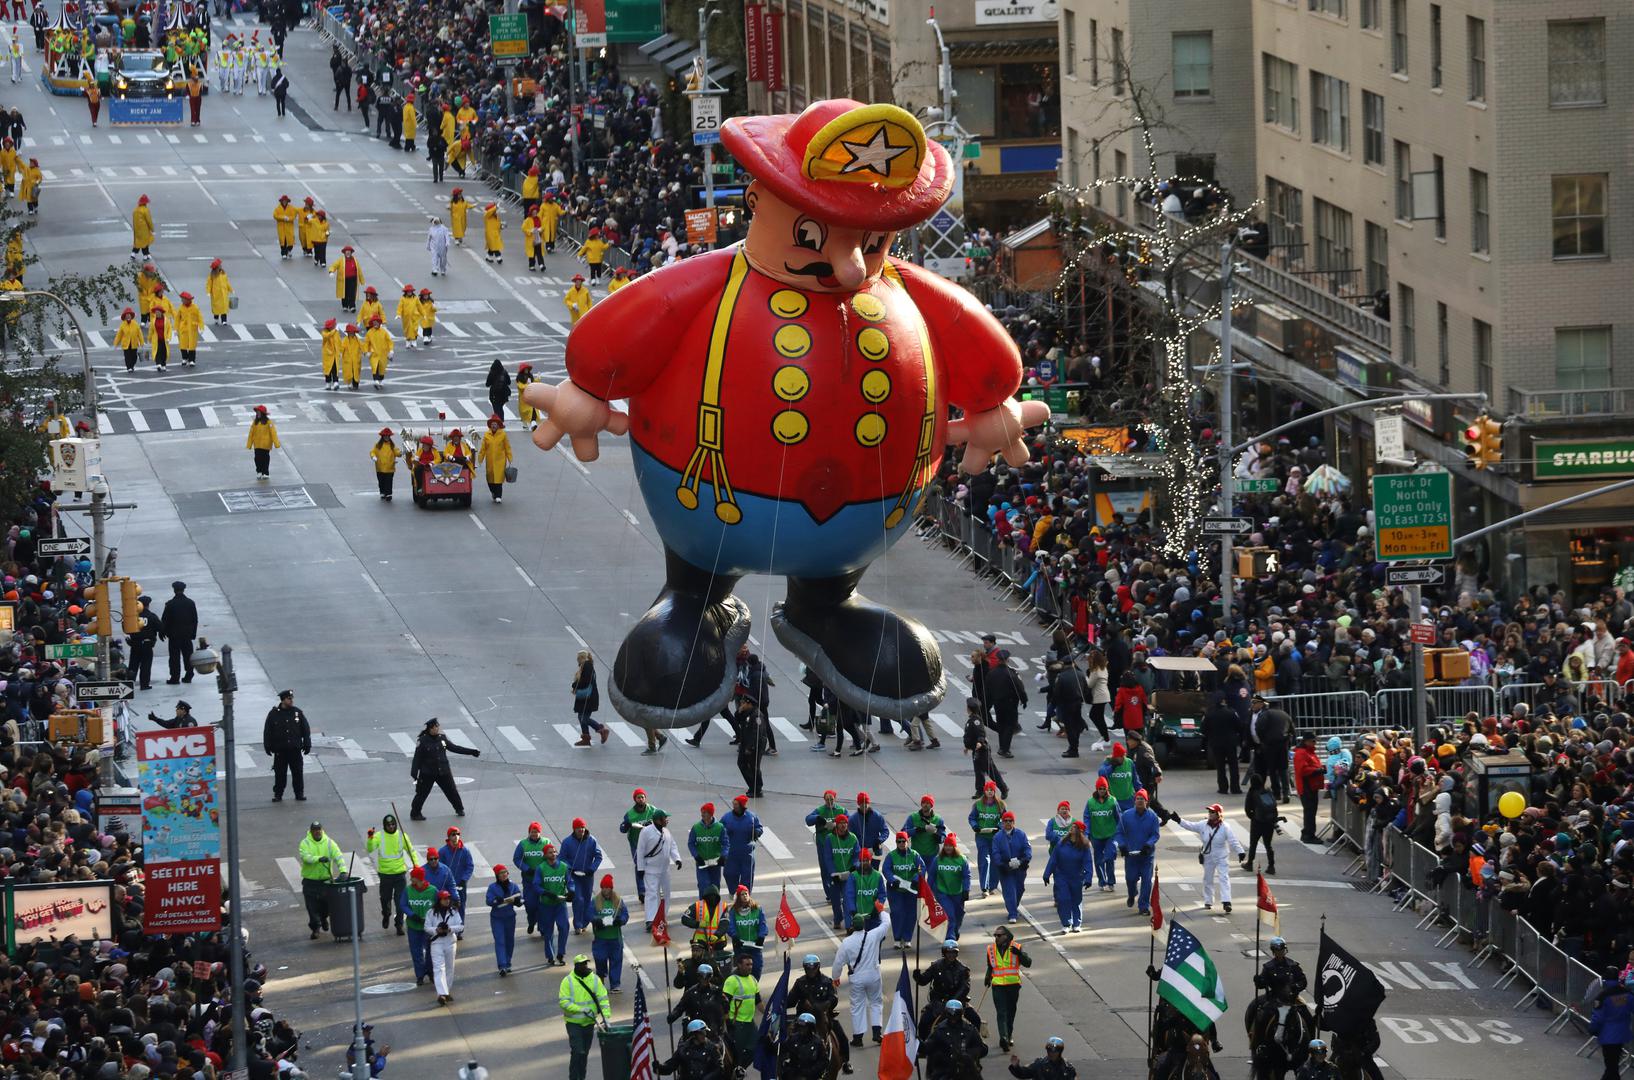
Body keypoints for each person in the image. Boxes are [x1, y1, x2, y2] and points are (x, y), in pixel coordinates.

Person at [1172, 804, 1245, 912]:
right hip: (1208, 856)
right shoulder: (1203, 824)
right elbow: (1191, 825)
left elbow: (1233, 840)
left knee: (1224, 877)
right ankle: (1208, 901)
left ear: (1219, 814)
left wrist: (1240, 851)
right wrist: (1179, 820)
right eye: (1209, 812)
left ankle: (1226, 902)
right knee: (1207, 879)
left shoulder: (1225, 827)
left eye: (1212, 812)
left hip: (1221, 856)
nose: (1210, 814)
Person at [833, 909, 890, 1046]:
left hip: (857, 978)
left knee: (857, 1006)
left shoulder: (846, 942)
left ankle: (858, 1037)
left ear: (852, 926)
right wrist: (881, 910)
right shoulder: (873, 935)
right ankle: (877, 1032)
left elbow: (838, 962)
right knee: (876, 1003)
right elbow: (886, 923)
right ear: (864, 925)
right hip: (873, 975)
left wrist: (836, 977)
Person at [408, 717, 480, 820]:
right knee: (422, 794)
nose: (438, 728)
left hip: (443, 771)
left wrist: (472, 752)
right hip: (428, 773)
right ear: (431, 729)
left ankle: (459, 809)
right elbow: (417, 758)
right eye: (436, 727)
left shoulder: (442, 738)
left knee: (452, 791)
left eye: (438, 726)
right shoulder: (423, 741)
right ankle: (415, 813)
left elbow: (455, 748)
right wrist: (414, 773)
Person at [788, 953, 848, 1071]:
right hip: (803, 1018)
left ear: (818, 967)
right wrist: (784, 1001)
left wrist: (822, 1006)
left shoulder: (827, 981)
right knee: (789, 1036)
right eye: (808, 968)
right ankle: (788, 1060)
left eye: (814, 967)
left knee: (841, 1035)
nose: (811, 970)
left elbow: (833, 998)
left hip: (823, 1016)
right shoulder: (800, 983)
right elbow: (791, 1000)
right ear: (805, 968)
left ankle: (846, 1061)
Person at [559, 954, 610, 1080]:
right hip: (573, 1023)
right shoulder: (568, 981)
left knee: (584, 1054)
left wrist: (606, 1017)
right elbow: (564, 1003)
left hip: (589, 1023)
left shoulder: (594, 979)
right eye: (581, 964)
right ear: (576, 966)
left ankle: (581, 1077)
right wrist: (581, 1009)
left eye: (585, 963)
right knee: (578, 1052)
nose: (584, 966)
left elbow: (603, 999)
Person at [366, 813, 417, 934]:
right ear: (384, 826)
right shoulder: (379, 836)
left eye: (393, 824)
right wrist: (370, 838)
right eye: (388, 825)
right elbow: (370, 848)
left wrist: (416, 866)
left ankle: (399, 925)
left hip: (400, 874)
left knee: (400, 902)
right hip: (385, 874)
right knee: (385, 899)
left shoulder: (402, 836)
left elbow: (411, 851)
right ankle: (386, 914)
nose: (391, 826)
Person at [985, 925, 1031, 1051]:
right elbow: (991, 965)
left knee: (1011, 1012)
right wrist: (988, 976)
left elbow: (1028, 963)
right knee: (1001, 1012)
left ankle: (1009, 1034)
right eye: (995, 935)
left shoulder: (1016, 947)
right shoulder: (991, 949)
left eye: (999, 935)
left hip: (1013, 985)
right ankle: (1003, 1038)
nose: (996, 938)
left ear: (1006, 936)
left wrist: (1020, 954)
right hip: (998, 985)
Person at [1116, 789, 1162, 916]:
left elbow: (1155, 834)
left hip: (1146, 856)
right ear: (1134, 801)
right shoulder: (1126, 815)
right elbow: (1118, 833)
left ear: (1147, 802)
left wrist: (1148, 844)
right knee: (1130, 879)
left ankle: (1143, 906)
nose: (1140, 801)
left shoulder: (1152, 817)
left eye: (1142, 799)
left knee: (1147, 881)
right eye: (1138, 798)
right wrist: (1122, 846)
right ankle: (1132, 894)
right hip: (1131, 855)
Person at [635, 809, 682, 928]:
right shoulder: (646, 832)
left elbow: (672, 846)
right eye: (665, 818)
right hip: (650, 869)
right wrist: (640, 868)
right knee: (651, 894)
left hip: (665, 870)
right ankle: (650, 920)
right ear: (658, 820)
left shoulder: (666, 831)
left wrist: (677, 859)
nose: (667, 820)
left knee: (666, 894)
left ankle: (662, 917)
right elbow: (640, 850)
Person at [918, 1000, 987, 1079]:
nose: (953, 1016)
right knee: (924, 1021)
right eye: (950, 1013)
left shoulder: (970, 1030)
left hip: (966, 1069)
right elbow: (928, 1047)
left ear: (961, 1013)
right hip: (945, 1070)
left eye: (956, 1014)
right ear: (946, 1013)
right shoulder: (940, 1031)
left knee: (975, 1018)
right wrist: (918, 1043)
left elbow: (982, 1048)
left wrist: (969, 1055)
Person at [1042, 819, 1090, 931]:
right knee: (1063, 899)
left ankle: (1077, 923)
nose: (1071, 828)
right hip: (1061, 876)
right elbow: (1053, 859)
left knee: (1076, 900)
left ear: (1079, 831)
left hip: (1077, 876)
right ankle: (1066, 923)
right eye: (1071, 827)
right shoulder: (1061, 843)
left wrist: (1088, 877)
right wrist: (1047, 874)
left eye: (1074, 827)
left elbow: (1087, 862)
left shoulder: (1084, 846)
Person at [915, 940, 971, 1036]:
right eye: (948, 952)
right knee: (923, 1022)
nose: (951, 955)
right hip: (938, 1003)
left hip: (957, 1003)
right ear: (944, 953)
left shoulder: (963, 969)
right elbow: (923, 981)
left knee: (976, 1019)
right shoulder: (936, 966)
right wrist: (917, 976)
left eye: (953, 952)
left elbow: (965, 988)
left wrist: (952, 1002)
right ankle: (923, 1046)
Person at [298, 820, 342, 939]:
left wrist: (343, 871)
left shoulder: (329, 842)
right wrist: (318, 859)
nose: (317, 832)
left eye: (319, 830)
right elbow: (305, 857)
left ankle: (323, 918)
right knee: (311, 907)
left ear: (322, 830)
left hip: (325, 881)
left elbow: (338, 856)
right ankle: (316, 928)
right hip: (310, 881)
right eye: (315, 830)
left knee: (326, 905)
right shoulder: (305, 843)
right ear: (311, 831)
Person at [560, 818, 605, 933]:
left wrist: (592, 869)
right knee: (578, 899)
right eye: (578, 828)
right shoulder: (567, 842)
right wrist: (570, 868)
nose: (581, 830)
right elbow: (562, 859)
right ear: (574, 829)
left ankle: (585, 922)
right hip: (574, 876)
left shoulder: (592, 840)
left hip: (587, 876)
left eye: (583, 827)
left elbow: (598, 856)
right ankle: (578, 924)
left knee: (586, 899)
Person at [883, 830, 926, 947]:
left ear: (908, 841)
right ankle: (897, 938)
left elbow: (921, 867)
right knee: (897, 912)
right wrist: (892, 880)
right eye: (899, 841)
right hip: (896, 890)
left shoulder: (915, 855)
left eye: (904, 841)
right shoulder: (891, 856)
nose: (902, 843)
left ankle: (907, 938)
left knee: (911, 914)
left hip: (911, 890)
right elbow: (886, 869)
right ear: (896, 843)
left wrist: (916, 879)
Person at [589, 875, 628, 991]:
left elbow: (625, 914)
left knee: (616, 960)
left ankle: (615, 984)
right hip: (601, 938)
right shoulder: (595, 901)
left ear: (611, 888)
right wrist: (596, 920)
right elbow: (589, 914)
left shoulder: (618, 901)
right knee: (600, 959)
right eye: (603, 887)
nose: (605, 890)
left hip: (615, 937)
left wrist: (621, 920)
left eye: (608, 887)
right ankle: (601, 976)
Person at [400, 865, 438, 985]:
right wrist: (412, 915)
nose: (411, 880)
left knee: (431, 951)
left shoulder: (433, 890)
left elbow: (439, 905)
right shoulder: (408, 890)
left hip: (429, 928)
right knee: (416, 952)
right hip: (413, 926)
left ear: (419, 878)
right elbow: (403, 904)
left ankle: (431, 972)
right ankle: (420, 975)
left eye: (413, 878)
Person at [722, 952, 762, 1063]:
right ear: (739, 965)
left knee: (756, 1048)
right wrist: (727, 1022)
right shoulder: (732, 981)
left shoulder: (753, 979)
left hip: (749, 1022)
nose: (750, 967)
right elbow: (724, 1002)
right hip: (737, 1023)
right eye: (747, 964)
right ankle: (736, 1070)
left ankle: (740, 1068)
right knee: (737, 1052)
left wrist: (769, 1013)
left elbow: (758, 1001)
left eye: (751, 964)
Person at [1592, 975, 1634, 1080]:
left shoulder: (1603, 996)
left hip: (1607, 1034)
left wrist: (1593, 1029)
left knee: (1610, 1065)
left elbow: (1598, 1017)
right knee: (1614, 1063)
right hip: (1622, 1032)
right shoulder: (1627, 993)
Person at [993, 811, 1032, 923]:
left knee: (1019, 889)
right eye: (1006, 821)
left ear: (1014, 822)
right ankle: (1012, 914)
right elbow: (995, 853)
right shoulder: (997, 837)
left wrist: (1024, 860)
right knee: (1009, 890)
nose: (1008, 823)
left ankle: (1013, 906)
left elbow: (1027, 849)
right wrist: (1002, 865)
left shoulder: (1021, 834)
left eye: (1010, 821)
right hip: (1005, 868)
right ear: (1002, 822)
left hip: (1020, 867)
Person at [969, 782, 1006, 896]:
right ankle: (984, 887)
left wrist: (999, 827)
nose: (990, 792)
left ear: (995, 791)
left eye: (992, 790)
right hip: (982, 836)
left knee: (995, 861)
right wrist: (975, 826)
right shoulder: (978, 804)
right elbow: (972, 817)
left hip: (995, 837)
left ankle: (992, 886)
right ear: (984, 791)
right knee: (984, 861)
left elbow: (1004, 818)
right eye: (988, 790)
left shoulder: (1000, 804)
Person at [931, 834, 971, 939]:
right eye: (946, 845)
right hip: (943, 893)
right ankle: (950, 939)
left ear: (954, 847)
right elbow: (931, 876)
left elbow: (966, 876)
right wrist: (928, 891)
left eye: (950, 845)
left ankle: (955, 930)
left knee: (959, 915)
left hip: (958, 893)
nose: (948, 848)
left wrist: (966, 890)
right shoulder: (938, 859)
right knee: (950, 916)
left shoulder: (962, 860)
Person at [487, 863, 524, 975]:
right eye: (501, 873)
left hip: (510, 917)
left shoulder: (513, 886)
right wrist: (496, 901)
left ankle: (508, 963)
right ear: (497, 875)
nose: (504, 875)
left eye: (505, 872)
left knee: (509, 941)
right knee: (500, 941)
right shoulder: (492, 887)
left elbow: (521, 899)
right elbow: (488, 901)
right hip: (497, 918)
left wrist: (518, 902)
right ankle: (502, 965)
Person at [427, 889, 463, 1004]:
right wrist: (436, 930)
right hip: (437, 943)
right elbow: (426, 927)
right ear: (439, 900)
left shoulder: (454, 912)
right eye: (444, 899)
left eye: (448, 898)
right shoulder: (431, 912)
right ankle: (441, 994)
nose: (447, 901)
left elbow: (461, 926)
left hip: (450, 942)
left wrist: (450, 929)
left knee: (449, 968)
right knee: (438, 968)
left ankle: (446, 991)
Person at [159, 580, 198, 684]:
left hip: (174, 636)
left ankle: (175, 677)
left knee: (174, 657)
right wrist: (193, 633)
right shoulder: (190, 603)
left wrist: (162, 633)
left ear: (174, 590)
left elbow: (165, 620)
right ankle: (189, 674)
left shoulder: (170, 604)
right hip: (187, 635)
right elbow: (195, 619)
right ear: (183, 590)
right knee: (188, 655)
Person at [722, 793, 763, 894]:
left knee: (747, 877)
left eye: (736, 804)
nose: (734, 806)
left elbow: (759, 827)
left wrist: (757, 832)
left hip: (747, 853)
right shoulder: (727, 817)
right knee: (729, 874)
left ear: (742, 806)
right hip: (731, 853)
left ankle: (745, 898)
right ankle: (733, 893)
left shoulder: (752, 817)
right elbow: (719, 829)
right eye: (733, 804)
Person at [1084, 777, 1119, 892]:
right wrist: (1087, 833)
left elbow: (1119, 817)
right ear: (1097, 789)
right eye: (1100, 788)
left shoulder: (1112, 801)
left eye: (1104, 788)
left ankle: (1111, 882)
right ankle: (1102, 881)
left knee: (1109, 857)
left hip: (1111, 835)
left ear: (1107, 789)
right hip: (1096, 835)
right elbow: (1087, 818)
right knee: (1098, 860)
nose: (1102, 791)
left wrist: (1121, 832)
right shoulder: (1090, 802)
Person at [1241, 772, 1281, 875]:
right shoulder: (1267, 791)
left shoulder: (1252, 793)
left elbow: (1247, 809)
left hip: (1257, 822)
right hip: (1269, 822)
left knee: (1253, 843)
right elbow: (1274, 807)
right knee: (1268, 845)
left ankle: (1249, 863)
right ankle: (1271, 866)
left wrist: (1253, 817)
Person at [659, 1020, 725, 1078]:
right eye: (701, 1033)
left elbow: (720, 1068)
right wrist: (660, 1068)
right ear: (693, 1034)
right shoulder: (683, 1050)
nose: (704, 1035)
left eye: (704, 1032)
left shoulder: (711, 1048)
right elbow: (670, 1066)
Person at [1292, 731, 1327, 843]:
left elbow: (1311, 765)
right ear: (1306, 741)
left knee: (1311, 811)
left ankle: (1309, 833)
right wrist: (1317, 770)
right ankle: (1308, 835)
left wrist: (1320, 768)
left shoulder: (1308, 752)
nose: (1315, 743)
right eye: (1313, 741)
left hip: (1311, 786)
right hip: (1306, 786)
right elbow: (1302, 770)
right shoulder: (1302, 753)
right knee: (1309, 811)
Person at [690, 802, 730, 897]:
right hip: (701, 863)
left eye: (705, 812)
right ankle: (703, 907)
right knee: (703, 886)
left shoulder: (720, 827)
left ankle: (714, 907)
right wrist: (696, 856)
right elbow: (691, 843)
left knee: (715, 887)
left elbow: (726, 843)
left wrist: (723, 856)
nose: (702, 814)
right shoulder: (696, 827)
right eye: (702, 812)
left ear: (711, 814)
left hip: (715, 863)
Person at [476, 414, 513, 504]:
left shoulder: (503, 435)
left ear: (498, 425)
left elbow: (507, 447)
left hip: (500, 461)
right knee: (490, 478)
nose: (493, 425)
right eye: (492, 424)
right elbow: (483, 448)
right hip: (490, 461)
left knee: (498, 479)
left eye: (495, 424)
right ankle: (493, 491)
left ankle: (498, 496)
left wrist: (509, 459)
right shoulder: (486, 435)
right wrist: (480, 459)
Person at [440, 826, 474, 917]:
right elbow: (440, 867)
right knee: (446, 906)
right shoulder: (443, 851)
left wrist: (464, 879)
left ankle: (460, 927)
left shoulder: (465, 851)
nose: (456, 836)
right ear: (449, 837)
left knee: (460, 905)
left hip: (460, 884)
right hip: (447, 885)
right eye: (453, 834)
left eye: (458, 834)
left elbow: (470, 866)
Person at [1009, 1036, 1075, 1078]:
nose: (1051, 1053)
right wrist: (1016, 1067)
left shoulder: (1068, 1069)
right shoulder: (1039, 1064)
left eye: (1055, 1051)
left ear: (1060, 1052)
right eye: (1049, 1050)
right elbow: (1023, 1073)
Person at [246, 404, 280, 478]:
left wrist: (276, 443)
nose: (257, 413)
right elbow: (251, 433)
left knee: (265, 459)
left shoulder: (269, 422)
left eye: (259, 412)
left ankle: (265, 472)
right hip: (257, 444)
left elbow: (273, 433)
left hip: (266, 445)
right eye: (257, 412)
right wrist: (249, 444)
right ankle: (259, 471)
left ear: (262, 414)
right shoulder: (255, 422)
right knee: (257, 458)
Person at [331, 244, 363, 313]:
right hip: (344, 280)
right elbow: (334, 265)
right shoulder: (340, 260)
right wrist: (331, 271)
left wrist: (361, 280)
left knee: (352, 293)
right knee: (344, 293)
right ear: (344, 253)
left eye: (349, 251)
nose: (348, 253)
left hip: (353, 279)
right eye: (346, 251)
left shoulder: (355, 260)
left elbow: (359, 270)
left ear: (351, 252)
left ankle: (352, 306)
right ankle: (345, 306)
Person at [370, 427, 399, 500]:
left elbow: (397, 452)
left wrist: (400, 453)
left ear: (389, 436)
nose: (386, 437)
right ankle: (382, 492)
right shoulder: (377, 445)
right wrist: (373, 457)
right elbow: (372, 452)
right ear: (382, 437)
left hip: (390, 468)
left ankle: (389, 494)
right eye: (385, 436)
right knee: (381, 481)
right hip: (380, 467)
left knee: (389, 481)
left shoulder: (392, 445)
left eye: (388, 436)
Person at [176, 291, 203, 367]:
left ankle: (192, 360)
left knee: (192, 345)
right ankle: (184, 358)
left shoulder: (195, 308)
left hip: (192, 328)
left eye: (183, 299)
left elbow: (200, 317)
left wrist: (201, 327)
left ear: (187, 300)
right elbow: (177, 318)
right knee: (183, 344)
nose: (182, 301)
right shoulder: (181, 308)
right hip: (183, 329)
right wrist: (176, 329)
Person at [115, 307, 142, 371]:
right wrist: (116, 344)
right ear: (125, 317)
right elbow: (119, 335)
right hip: (126, 344)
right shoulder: (122, 325)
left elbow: (139, 334)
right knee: (127, 356)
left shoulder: (135, 324)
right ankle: (129, 367)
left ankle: (131, 366)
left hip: (134, 343)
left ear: (131, 316)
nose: (128, 317)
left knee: (134, 357)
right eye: (126, 316)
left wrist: (142, 343)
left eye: (129, 315)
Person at [207, 258, 234, 324]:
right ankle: (216, 318)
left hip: (224, 294)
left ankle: (224, 320)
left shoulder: (223, 274)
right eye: (219, 265)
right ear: (216, 267)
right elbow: (209, 284)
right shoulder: (212, 276)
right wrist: (208, 292)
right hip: (216, 294)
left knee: (224, 307)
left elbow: (227, 283)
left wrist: (231, 289)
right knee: (216, 307)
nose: (221, 266)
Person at [396, 284, 422, 349]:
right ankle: (408, 342)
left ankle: (414, 341)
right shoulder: (403, 299)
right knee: (407, 330)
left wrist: (423, 314)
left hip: (415, 317)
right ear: (406, 292)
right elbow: (400, 307)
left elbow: (419, 306)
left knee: (414, 329)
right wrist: (398, 314)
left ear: (412, 291)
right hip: (406, 317)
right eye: (408, 291)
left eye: (410, 291)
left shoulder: (415, 298)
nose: (409, 292)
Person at [273, 195, 297, 259]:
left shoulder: (291, 208)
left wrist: (289, 218)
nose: (284, 202)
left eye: (285, 201)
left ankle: (289, 250)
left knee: (290, 241)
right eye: (283, 201)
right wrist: (282, 218)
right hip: (281, 227)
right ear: (281, 201)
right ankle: (283, 253)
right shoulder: (277, 208)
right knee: (283, 241)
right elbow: (275, 215)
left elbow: (294, 216)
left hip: (289, 227)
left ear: (287, 201)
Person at [130, 193, 153, 258]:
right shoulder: (145, 210)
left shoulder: (135, 210)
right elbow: (149, 221)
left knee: (138, 241)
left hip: (136, 229)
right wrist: (152, 229)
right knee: (145, 242)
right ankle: (145, 255)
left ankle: (133, 253)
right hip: (144, 229)